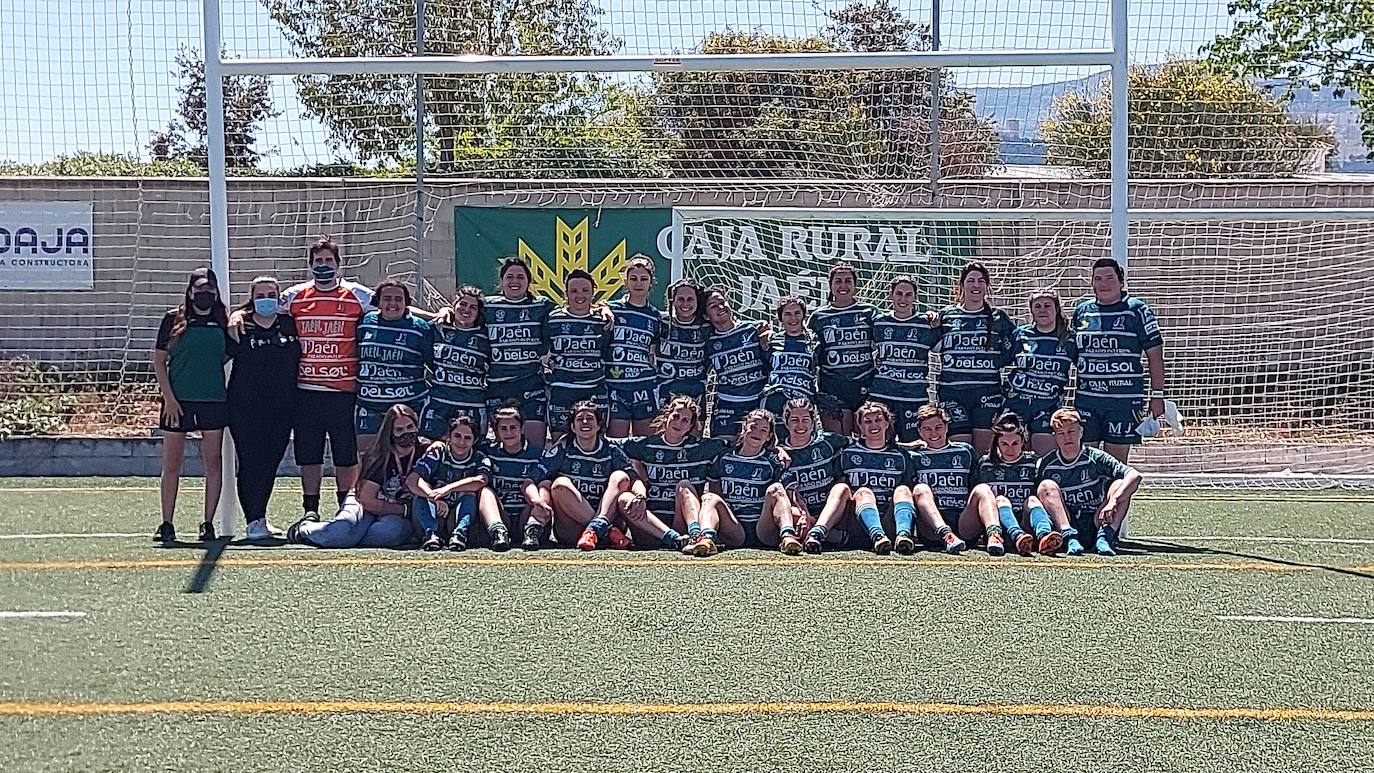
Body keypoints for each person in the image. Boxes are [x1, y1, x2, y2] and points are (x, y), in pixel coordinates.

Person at [276, 237, 373, 519]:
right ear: (310, 264)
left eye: (328, 260)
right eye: (318, 261)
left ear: (339, 264)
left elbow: (396, 306)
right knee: (310, 454)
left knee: (345, 453)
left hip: (344, 390)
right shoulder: (295, 295)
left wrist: (438, 313)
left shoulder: (356, 294)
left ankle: (346, 506)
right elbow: (259, 309)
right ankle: (311, 508)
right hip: (306, 390)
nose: (323, 266)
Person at [152, 267, 230, 544]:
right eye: (199, 289)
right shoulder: (172, 320)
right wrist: (169, 400)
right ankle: (167, 522)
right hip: (178, 401)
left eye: (210, 289)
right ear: (189, 291)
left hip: (213, 400)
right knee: (172, 463)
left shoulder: (224, 320)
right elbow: (159, 362)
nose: (204, 294)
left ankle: (207, 522)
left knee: (213, 462)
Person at [287, 404, 426, 549]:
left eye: (410, 427)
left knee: (391, 533)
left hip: (394, 514)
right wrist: (404, 510)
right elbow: (367, 500)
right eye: (399, 430)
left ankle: (351, 537)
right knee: (340, 534)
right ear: (390, 433)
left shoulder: (427, 451)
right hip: (365, 504)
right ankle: (303, 530)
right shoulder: (379, 456)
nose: (406, 433)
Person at [1071, 257, 1167, 463]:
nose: (1103, 284)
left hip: (1122, 401)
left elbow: (1155, 354)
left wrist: (1157, 395)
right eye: (1098, 278)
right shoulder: (1082, 311)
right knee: (1085, 463)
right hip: (1087, 400)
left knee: (1116, 465)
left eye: (1109, 278)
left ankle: (1117, 497)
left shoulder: (1137, 310)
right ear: (1092, 283)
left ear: (1121, 281)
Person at [226, 275, 299, 541]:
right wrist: (235, 315)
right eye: (260, 295)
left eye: (271, 294)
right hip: (245, 408)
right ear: (252, 299)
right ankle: (252, 520)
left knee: (270, 463)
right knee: (250, 462)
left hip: (283, 408)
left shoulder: (290, 325)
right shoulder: (240, 326)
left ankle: (261, 518)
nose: (266, 299)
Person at [523, 400, 636, 550]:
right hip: (571, 529)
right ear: (572, 427)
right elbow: (530, 480)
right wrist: (536, 500)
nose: (585, 422)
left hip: (607, 515)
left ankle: (596, 529)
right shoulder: (563, 449)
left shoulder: (611, 450)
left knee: (621, 476)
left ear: (598, 425)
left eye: (590, 418)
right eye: (579, 419)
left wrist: (640, 496)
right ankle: (604, 531)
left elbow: (634, 479)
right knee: (558, 484)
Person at [619, 396, 725, 551]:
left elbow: (742, 445)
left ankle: (696, 536)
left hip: (681, 521)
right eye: (675, 416)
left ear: (690, 426)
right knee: (624, 499)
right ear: (666, 417)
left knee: (684, 485)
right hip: (650, 523)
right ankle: (674, 539)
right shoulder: (645, 445)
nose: (679, 423)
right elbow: (607, 443)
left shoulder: (702, 448)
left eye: (685, 420)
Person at [933, 261, 1017, 454]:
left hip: (987, 393)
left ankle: (983, 485)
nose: (976, 285)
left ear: (987, 286)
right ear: (961, 285)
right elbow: (933, 346)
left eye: (981, 281)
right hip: (953, 393)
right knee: (961, 450)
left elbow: (1015, 350)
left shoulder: (999, 318)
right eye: (971, 280)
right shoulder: (946, 316)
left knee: (982, 452)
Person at [688, 409, 798, 556]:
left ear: (769, 436)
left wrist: (802, 512)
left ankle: (788, 536)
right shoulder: (723, 458)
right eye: (753, 427)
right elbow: (716, 491)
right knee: (709, 497)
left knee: (776, 488)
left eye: (763, 430)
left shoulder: (772, 460)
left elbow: (790, 491)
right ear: (744, 428)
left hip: (763, 528)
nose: (757, 433)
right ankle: (706, 539)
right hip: (734, 528)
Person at [1036, 408, 1144, 556]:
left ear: (1081, 432)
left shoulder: (1096, 457)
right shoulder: (1046, 463)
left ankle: (1105, 536)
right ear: (1055, 437)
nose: (1067, 437)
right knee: (1045, 486)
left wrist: (1113, 501)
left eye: (1072, 431)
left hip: (1096, 519)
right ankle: (1069, 538)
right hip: (1066, 522)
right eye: (1061, 433)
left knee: (1120, 484)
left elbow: (1135, 475)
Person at [829, 401, 921, 555]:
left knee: (904, 489)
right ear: (860, 427)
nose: (873, 425)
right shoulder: (847, 454)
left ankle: (904, 535)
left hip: (889, 521)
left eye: (878, 420)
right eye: (867, 421)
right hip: (857, 520)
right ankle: (876, 534)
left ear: (887, 424)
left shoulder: (902, 456)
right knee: (864, 492)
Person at [407, 415, 510, 552]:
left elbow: (480, 480)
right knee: (420, 495)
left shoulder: (479, 457)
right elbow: (413, 480)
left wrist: (447, 489)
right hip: (435, 512)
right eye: (457, 436)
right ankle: (431, 534)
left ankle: (460, 534)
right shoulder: (438, 452)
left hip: (458, 513)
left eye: (467, 438)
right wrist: (432, 495)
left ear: (475, 440)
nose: (461, 442)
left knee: (469, 494)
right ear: (449, 436)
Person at [910, 403, 1000, 555]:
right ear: (919, 431)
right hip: (931, 526)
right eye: (927, 428)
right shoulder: (913, 456)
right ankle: (946, 534)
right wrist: (907, 446)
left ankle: (994, 535)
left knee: (983, 489)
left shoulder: (965, 451)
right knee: (920, 489)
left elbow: (974, 484)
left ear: (946, 427)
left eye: (938, 427)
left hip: (964, 521)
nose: (934, 433)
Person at [484, 258, 554, 446]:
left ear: (528, 282)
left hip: (531, 383)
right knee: (505, 446)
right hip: (498, 385)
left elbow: (574, 310)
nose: (515, 281)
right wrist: (442, 311)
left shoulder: (541, 305)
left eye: (520, 277)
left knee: (534, 446)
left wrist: (604, 308)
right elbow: (458, 314)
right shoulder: (487, 306)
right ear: (501, 281)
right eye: (510, 277)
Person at [978, 412, 1065, 556]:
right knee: (1000, 499)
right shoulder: (985, 464)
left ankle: (1044, 537)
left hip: (1027, 523)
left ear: (1022, 442)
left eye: (1015, 443)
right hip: (1000, 525)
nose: (1010, 449)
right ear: (997, 444)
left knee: (1032, 500)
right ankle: (1017, 536)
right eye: (1004, 444)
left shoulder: (1033, 462)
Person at [1003, 290, 1076, 457]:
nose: (1042, 310)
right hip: (1016, 404)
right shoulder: (1020, 335)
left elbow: (1085, 367)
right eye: (1037, 306)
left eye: (1047, 305)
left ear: (1056, 309)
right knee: (1013, 457)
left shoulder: (1068, 339)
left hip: (1048, 406)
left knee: (1042, 461)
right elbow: (999, 361)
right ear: (1031, 310)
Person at [777, 398, 852, 555]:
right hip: (802, 513)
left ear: (813, 422)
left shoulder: (828, 441)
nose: (800, 425)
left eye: (805, 420)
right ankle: (829, 535)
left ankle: (818, 532)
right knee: (789, 514)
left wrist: (908, 446)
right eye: (794, 420)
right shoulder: (780, 455)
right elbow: (792, 493)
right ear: (786, 422)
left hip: (832, 511)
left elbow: (867, 441)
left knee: (842, 488)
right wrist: (776, 449)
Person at [870, 275, 940, 443]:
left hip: (914, 398)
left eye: (908, 294)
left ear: (915, 297)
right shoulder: (879, 322)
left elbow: (945, 351)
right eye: (899, 293)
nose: (903, 299)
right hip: (883, 395)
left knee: (914, 447)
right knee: (880, 445)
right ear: (890, 295)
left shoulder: (926, 324)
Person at [808, 263, 876, 435]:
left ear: (855, 285)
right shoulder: (818, 317)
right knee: (838, 443)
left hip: (865, 384)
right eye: (838, 281)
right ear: (830, 285)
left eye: (848, 281)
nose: (843, 286)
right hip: (833, 386)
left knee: (867, 442)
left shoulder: (869, 312)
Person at [544, 269, 611, 444]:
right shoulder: (552, 319)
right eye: (573, 291)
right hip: (562, 390)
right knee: (561, 445)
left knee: (595, 444)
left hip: (593, 389)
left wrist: (604, 308)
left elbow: (606, 352)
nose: (579, 295)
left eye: (585, 290)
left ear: (593, 292)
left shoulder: (603, 320)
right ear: (565, 294)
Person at [606, 256, 664, 438]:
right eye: (634, 278)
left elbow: (654, 350)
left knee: (644, 446)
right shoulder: (612, 309)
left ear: (651, 282)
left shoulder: (655, 316)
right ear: (626, 281)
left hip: (644, 386)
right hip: (616, 387)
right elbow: (596, 307)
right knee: (617, 444)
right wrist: (603, 309)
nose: (638, 283)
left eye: (643, 279)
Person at [423, 286, 490, 439]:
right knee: (432, 450)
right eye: (463, 304)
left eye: (473, 307)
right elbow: (407, 311)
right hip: (439, 403)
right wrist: (439, 312)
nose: (466, 310)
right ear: (454, 305)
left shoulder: (486, 337)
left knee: (468, 453)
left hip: (471, 405)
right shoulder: (438, 327)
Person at [704, 288, 769, 442]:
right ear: (706, 316)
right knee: (723, 450)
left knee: (757, 448)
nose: (720, 307)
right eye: (713, 306)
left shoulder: (754, 329)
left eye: (722, 302)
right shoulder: (708, 341)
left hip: (757, 401)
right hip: (728, 404)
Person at [485, 406, 547, 549]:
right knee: (485, 491)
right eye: (503, 428)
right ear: (497, 431)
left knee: (545, 485)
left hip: (527, 512)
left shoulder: (537, 454)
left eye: (513, 427)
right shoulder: (488, 452)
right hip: (502, 514)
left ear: (522, 428)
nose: (508, 433)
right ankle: (498, 531)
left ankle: (533, 529)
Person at [761, 296, 816, 438]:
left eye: (797, 313)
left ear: (804, 315)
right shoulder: (772, 340)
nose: (793, 318)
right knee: (773, 442)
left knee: (801, 441)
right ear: (780, 318)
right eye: (788, 314)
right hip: (774, 401)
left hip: (802, 403)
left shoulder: (814, 341)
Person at [656, 278, 712, 411]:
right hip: (666, 391)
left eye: (690, 299)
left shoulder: (707, 326)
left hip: (696, 391)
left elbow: (731, 324)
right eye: (680, 299)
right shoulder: (661, 322)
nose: (685, 304)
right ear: (672, 300)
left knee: (694, 431)